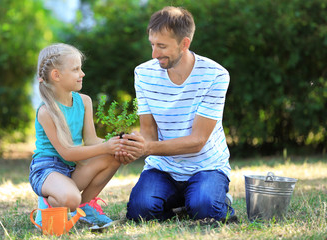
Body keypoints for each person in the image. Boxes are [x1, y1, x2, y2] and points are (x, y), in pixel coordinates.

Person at [116, 6, 236, 222]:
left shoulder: (215, 75)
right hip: (163, 167)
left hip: (207, 166)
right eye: (152, 45)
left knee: (205, 209)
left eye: (161, 46)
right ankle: (184, 205)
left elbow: (197, 141)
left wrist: (147, 148)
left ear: (184, 43)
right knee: (139, 211)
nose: (154, 54)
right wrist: (133, 145)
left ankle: (212, 201)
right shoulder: (143, 73)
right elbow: (149, 134)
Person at [29, 43, 121, 229]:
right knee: (70, 197)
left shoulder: (84, 101)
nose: (82, 74)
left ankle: (84, 207)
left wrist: (119, 143)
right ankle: (48, 203)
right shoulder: (46, 111)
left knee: (114, 156)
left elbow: (92, 140)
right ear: (56, 75)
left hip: (72, 169)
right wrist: (105, 147)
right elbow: (67, 153)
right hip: (47, 170)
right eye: (76, 69)